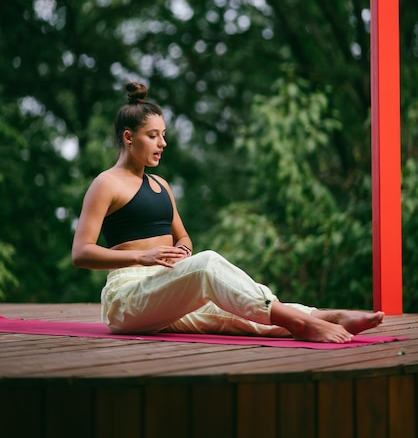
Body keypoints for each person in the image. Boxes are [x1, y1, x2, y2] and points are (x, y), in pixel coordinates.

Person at [72, 81, 384, 343]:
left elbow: (183, 237)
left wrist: (182, 250)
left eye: (163, 134)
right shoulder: (106, 183)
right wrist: (142, 257)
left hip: (165, 288)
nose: (162, 143)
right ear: (129, 137)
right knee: (207, 264)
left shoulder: (161, 185)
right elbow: (81, 253)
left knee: (234, 310)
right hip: (127, 299)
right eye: (153, 135)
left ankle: (326, 316)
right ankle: (304, 323)